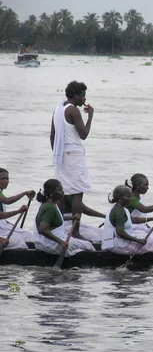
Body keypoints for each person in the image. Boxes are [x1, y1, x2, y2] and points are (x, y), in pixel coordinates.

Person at [50, 81, 94, 239]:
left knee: (62, 192)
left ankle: (60, 227)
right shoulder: (74, 111)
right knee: (77, 193)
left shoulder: (58, 108)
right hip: (74, 153)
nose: (84, 98)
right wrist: (90, 116)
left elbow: (52, 135)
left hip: (61, 154)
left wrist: (57, 153)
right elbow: (83, 134)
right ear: (75, 95)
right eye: (82, 95)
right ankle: (75, 231)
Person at [33, 179, 95, 256]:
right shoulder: (50, 208)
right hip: (50, 244)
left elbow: (54, 219)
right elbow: (42, 229)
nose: (63, 192)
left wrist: (71, 218)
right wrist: (60, 242)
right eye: (60, 190)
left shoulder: (49, 203)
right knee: (89, 245)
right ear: (52, 193)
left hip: (42, 243)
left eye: (62, 189)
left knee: (79, 248)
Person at [101, 185, 153, 255]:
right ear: (120, 198)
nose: (131, 199)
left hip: (114, 243)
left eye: (131, 196)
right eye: (128, 196)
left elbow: (134, 220)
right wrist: (138, 240)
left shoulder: (121, 208)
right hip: (117, 245)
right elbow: (120, 232)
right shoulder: (119, 212)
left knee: (152, 242)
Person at [0, 168, 35, 249]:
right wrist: (24, 193)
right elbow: (8, 201)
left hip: (3, 226)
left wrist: (8, 223)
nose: (6, 181)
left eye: (7, 178)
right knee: (18, 242)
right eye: (2, 179)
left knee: (28, 236)